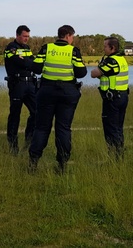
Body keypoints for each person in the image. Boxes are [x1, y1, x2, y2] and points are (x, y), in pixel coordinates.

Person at [28, 25, 87, 174]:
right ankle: (62, 165)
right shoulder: (73, 51)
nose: (73, 39)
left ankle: (33, 163)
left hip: (46, 91)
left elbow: (36, 69)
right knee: (63, 128)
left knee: (41, 128)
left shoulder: (46, 48)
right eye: (72, 36)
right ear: (67, 36)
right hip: (67, 92)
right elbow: (81, 73)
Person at [90, 37, 129, 160]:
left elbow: (93, 74)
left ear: (112, 48)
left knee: (110, 128)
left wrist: (99, 68)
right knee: (118, 127)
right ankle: (119, 154)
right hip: (122, 96)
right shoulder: (121, 59)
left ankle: (114, 157)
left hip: (112, 99)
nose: (103, 49)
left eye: (105, 46)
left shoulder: (111, 61)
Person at [4, 25, 37, 155]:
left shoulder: (27, 48)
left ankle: (28, 142)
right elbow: (22, 63)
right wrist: (27, 62)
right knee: (15, 116)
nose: (26, 39)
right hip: (17, 85)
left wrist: (27, 61)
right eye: (24, 36)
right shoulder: (10, 48)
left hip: (30, 85)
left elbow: (32, 63)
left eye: (28, 36)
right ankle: (13, 147)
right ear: (17, 35)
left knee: (36, 113)